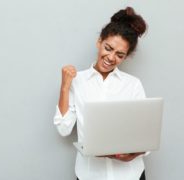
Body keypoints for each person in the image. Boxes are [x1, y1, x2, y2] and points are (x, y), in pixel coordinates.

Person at [53, 6, 148, 180]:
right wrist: (65, 87)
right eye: (108, 48)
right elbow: (63, 128)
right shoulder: (77, 81)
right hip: (91, 174)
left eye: (120, 55)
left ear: (125, 57)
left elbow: (145, 134)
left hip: (129, 175)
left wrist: (135, 153)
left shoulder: (133, 85)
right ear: (99, 42)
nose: (111, 57)